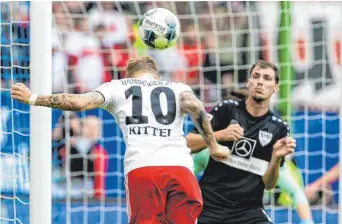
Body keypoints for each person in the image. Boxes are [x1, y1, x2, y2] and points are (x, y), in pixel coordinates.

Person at [10, 55, 229, 224]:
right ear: (156, 75)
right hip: (181, 170)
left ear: (129, 75)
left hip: (143, 169)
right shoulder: (178, 87)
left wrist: (33, 98)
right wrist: (213, 145)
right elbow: (195, 107)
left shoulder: (118, 86)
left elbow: (78, 103)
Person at [186, 60, 296, 224]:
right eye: (256, 76)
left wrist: (275, 157)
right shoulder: (227, 109)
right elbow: (188, 143)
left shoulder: (279, 128)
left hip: (249, 211)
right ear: (248, 82)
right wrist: (221, 135)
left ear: (276, 87)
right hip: (209, 207)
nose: (260, 82)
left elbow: (269, 185)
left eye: (267, 78)